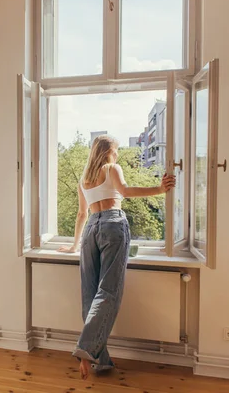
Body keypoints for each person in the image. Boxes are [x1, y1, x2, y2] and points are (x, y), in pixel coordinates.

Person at [58, 135, 176, 379]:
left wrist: (74, 245)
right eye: (117, 150)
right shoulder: (111, 168)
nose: (119, 154)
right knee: (109, 291)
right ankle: (86, 349)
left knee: (89, 296)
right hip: (112, 223)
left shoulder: (85, 178)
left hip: (91, 229)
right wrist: (160, 189)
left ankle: (101, 361)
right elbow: (125, 191)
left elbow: (82, 214)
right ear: (109, 151)